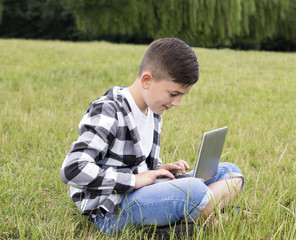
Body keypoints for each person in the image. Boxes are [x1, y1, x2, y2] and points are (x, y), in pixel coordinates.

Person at [60, 38, 245, 235]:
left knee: (231, 172)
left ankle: (200, 210)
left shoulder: (153, 111)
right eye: (174, 94)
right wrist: (134, 180)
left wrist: (158, 169)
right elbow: (73, 169)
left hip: (142, 192)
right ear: (147, 80)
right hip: (113, 209)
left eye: (182, 95)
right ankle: (205, 212)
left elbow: (134, 160)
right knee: (194, 190)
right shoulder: (108, 109)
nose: (177, 103)